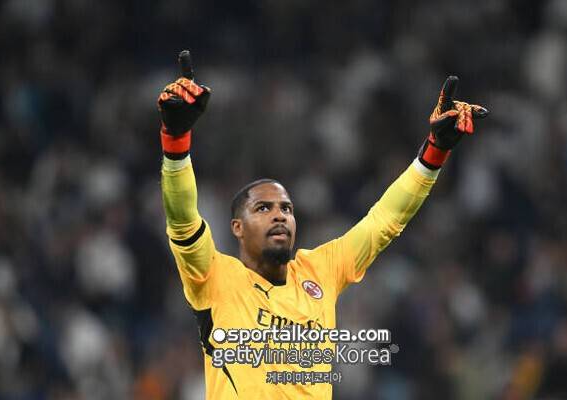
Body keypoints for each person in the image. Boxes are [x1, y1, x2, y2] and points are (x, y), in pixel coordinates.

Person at [157, 50, 488, 399]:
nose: (279, 215)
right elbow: (182, 221)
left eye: (286, 208)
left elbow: (385, 221)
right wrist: (175, 142)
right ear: (237, 227)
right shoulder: (215, 277)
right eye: (263, 208)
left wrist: (434, 152)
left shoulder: (319, 271)